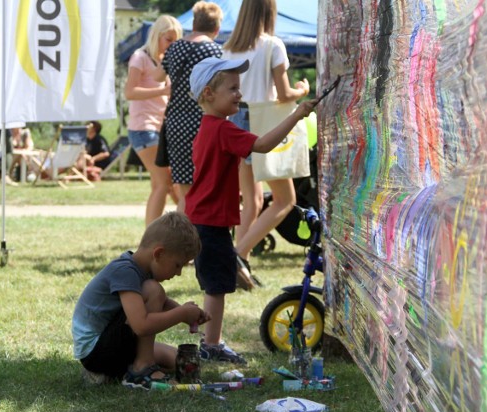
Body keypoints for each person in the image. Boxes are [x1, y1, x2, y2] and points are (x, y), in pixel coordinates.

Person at [185, 57, 316, 363]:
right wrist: (297, 114)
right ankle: (212, 345)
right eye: (232, 88)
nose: (239, 94)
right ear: (208, 94)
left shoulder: (208, 127)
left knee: (215, 282)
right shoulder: (222, 130)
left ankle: (210, 339)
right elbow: (264, 145)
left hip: (204, 219)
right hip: (210, 222)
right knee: (217, 286)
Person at [222, 0, 311, 282]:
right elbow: (283, 93)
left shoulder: (229, 48)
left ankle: (239, 264)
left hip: (235, 122)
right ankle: (239, 251)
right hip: (263, 125)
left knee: (252, 200)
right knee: (285, 199)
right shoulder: (273, 45)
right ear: (269, 12)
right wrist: (302, 90)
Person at [72, 211, 210, 387]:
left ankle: (132, 366)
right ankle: (142, 368)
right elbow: (141, 325)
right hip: (96, 353)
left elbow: (165, 304)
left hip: (108, 342)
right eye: (177, 265)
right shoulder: (126, 272)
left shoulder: (139, 269)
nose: (178, 273)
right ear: (159, 254)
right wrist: (182, 313)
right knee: (153, 289)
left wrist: (190, 314)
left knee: (177, 359)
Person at [155, 1, 223, 213]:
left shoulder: (174, 48)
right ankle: (200, 238)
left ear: (193, 23)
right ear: (217, 28)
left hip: (175, 123)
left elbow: (158, 76)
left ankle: (183, 241)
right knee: (207, 186)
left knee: (185, 192)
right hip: (203, 123)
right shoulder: (215, 51)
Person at [124, 15, 182, 225]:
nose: (172, 45)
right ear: (157, 36)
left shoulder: (162, 61)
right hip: (143, 128)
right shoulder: (140, 57)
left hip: (159, 128)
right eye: (169, 39)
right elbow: (129, 92)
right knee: (164, 184)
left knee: (168, 184)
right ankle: (151, 240)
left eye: (176, 40)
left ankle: (183, 230)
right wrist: (164, 90)